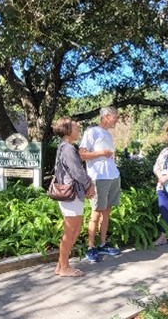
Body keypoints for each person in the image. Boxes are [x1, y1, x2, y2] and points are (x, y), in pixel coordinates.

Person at [52, 116, 94, 277]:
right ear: (68, 131)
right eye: (76, 128)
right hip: (71, 193)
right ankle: (64, 267)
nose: (78, 130)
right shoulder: (68, 148)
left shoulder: (65, 146)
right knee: (71, 230)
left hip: (72, 193)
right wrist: (89, 185)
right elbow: (77, 172)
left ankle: (61, 265)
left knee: (74, 229)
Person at [79, 106, 121, 262]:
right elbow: (82, 154)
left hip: (112, 176)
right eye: (115, 116)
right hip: (98, 177)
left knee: (107, 212)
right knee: (96, 212)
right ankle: (91, 247)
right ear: (107, 116)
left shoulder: (108, 135)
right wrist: (102, 153)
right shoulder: (92, 132)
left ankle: (103, 244)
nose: (117, 119)